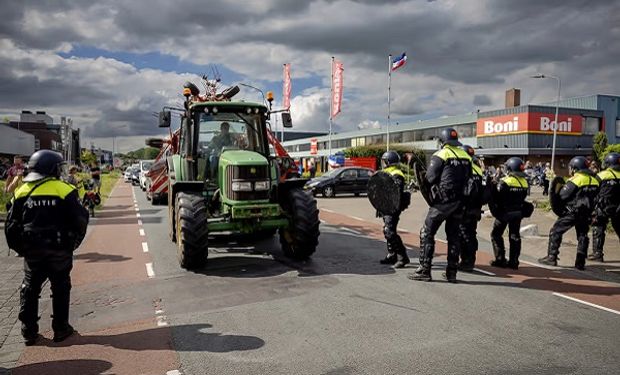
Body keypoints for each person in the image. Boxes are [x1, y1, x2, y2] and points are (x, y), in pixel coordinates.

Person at [4, 150, 89, 346]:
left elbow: (10, 226)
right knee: (61, 287)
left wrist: (20, 249)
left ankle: (29, 332)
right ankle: (61, 329)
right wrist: (73, 243)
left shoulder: (22, 191)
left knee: (30, 288)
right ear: (53, 169)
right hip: (59, 249)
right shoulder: (64, 189)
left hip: (32, 251)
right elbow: (81, 220)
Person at [409, 128, 472, 283]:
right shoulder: (466, 157)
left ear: (442, 141)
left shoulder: (441, 154)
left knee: (427, 233)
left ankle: (424, 270)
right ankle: (452, 273)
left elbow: (429, 178)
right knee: (453, 237)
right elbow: (469, 178)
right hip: (460, 202)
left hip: (442, 202)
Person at [539, 156, 599, 270]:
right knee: (583, 236)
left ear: (575, 168)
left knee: (555, 231)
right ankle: (580, 263)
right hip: (586, 214)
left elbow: (562, 196)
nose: (570, 170)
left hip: (572, 213)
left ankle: (551, 257)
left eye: (571, 168)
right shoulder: (595, 181)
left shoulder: (576, 180)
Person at [489, 157, 529, 270]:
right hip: (518, 213)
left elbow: (497, 197)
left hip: (504, 213)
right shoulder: (524, 182)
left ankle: (500, 259)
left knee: (496, 234)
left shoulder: (505, 182)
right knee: (515, 236)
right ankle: (514, 261)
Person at [458, 145, 490, 272]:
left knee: (463, 234)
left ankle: (466, 261)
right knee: (471, 234)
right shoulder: (478, 170)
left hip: (464, 207)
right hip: (476, 208)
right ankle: (470, 259)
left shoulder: (463, 169)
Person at [378, 151, 410, 269]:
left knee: (390, 231)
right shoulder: (386, 172)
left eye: (384, 161)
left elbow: (395, 192)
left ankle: (403, 257)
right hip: (386, 206)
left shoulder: (397, 174)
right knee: (387, 230)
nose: (382, 163)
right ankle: (392, 255)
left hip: (393, 207)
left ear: (388, 161)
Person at [589, 152, 620, 262]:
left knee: (598, 228)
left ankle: (597, 254)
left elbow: (593, 189)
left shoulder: (602, 175)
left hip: (602, 206)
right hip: (618, 207)